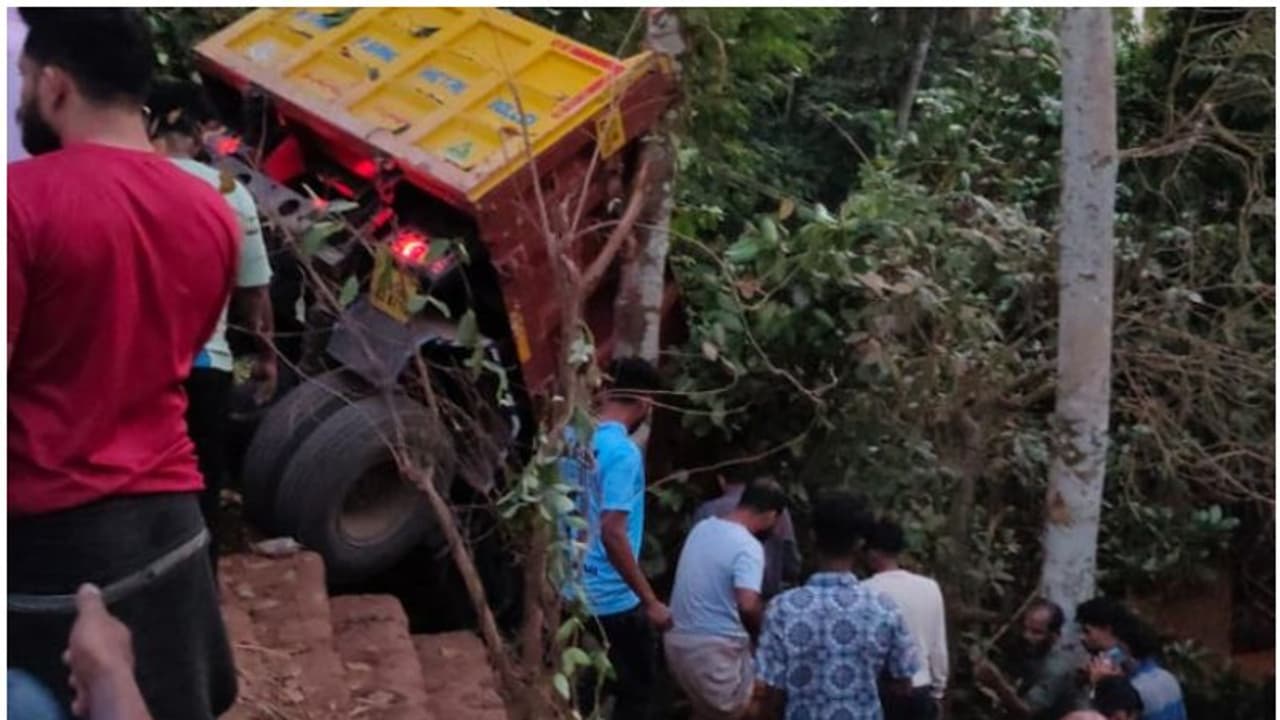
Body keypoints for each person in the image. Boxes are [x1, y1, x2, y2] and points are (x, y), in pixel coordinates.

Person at [8, 8, 238, 719]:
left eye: (21, 80)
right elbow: (183, 352)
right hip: (174, 532)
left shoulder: (20, 204)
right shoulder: (212, 213)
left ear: (53, 85)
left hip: (56, 551)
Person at [147, 77, 276, 567]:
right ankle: (197, 588)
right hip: (205, 364)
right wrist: (265, 356)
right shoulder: (230, 192)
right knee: (199, 484)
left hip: (131, 366)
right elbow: (255, 290)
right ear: (199, 133)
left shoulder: (123, 181)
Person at [560, 357, 670, 720]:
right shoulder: (623, 453)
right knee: (639, 691)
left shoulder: (569, 435)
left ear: (606, 390)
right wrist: (650, 600)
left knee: (586, 685)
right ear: (644, 403)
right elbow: (612, 531)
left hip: (569, 587)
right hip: (611, 598)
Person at [755, 491, 919, 719]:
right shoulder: (884, 609)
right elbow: (904, 682)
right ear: (859, 543)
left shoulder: (781, 609)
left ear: (812, 537)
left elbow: (770, 690)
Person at [665, 479, 788, 720]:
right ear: (771, 516)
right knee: (758, 704)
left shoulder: (703, 528)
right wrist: (767, 635)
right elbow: (748, 604)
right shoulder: (748, 547)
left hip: (676, 642)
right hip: (710, 649)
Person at [864, 518, 948, 720]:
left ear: (872, 553)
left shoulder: (864, 591)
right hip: (921, 686)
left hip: (882, 690)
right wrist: (938, 689)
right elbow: (938, 645)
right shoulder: (929, 587)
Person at [692, 473, 801, 601]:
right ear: (770, 515)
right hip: (756, 602)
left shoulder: (705, 519)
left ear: (721, 480)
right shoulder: (750, 543)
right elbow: (791, 564)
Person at [973, 600, 1088, 720]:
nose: (1027, 636)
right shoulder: (1026, 653)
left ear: (1055, 636)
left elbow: (1026, 712)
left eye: (1036, 633)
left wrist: (997, 683)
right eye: (1025, 629)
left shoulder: (1057, 667)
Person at [1095, 619, 1186, 720]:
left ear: (1126, 650)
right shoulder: (1167, 676)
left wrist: (1099, 683)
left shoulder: (1133, 689)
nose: (1112, 653)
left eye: (1118, 647)